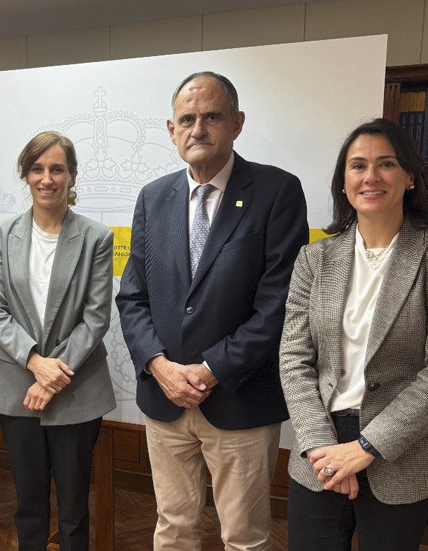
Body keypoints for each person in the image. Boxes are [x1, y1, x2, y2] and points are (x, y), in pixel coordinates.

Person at [116, 71, 308, 550]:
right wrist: (160, 367)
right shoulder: (153, 197)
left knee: (244, 537)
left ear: (237, 123)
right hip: (164, 400)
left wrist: (209, 370)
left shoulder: (277, 191)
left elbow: (278, 305)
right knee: (173, 529)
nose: (197, 128)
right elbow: (133, 298)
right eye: (187, 119)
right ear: (171, 129)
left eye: (211, 117)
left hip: (239, 399)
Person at [279, 118, 428, 550]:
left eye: (385, 164)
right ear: (344, 181)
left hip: (405, 447)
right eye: (357, 166)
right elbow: (294, 360)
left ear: (410, 177)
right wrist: (320, 447)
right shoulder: (314, 259)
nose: (370, 177)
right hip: (323, 444)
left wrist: (366, 447)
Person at [0, 131, 115, 551]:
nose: (47, 178)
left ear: (72, 176)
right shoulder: (2, 235)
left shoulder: (96, 236)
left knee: (75, 506)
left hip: (76, 388)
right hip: (17, 388)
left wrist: (52, 374)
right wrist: (35, 363)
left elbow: (96, 318)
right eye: (37, 169)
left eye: (57, 168)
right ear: (25, 175)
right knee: (28, 503)